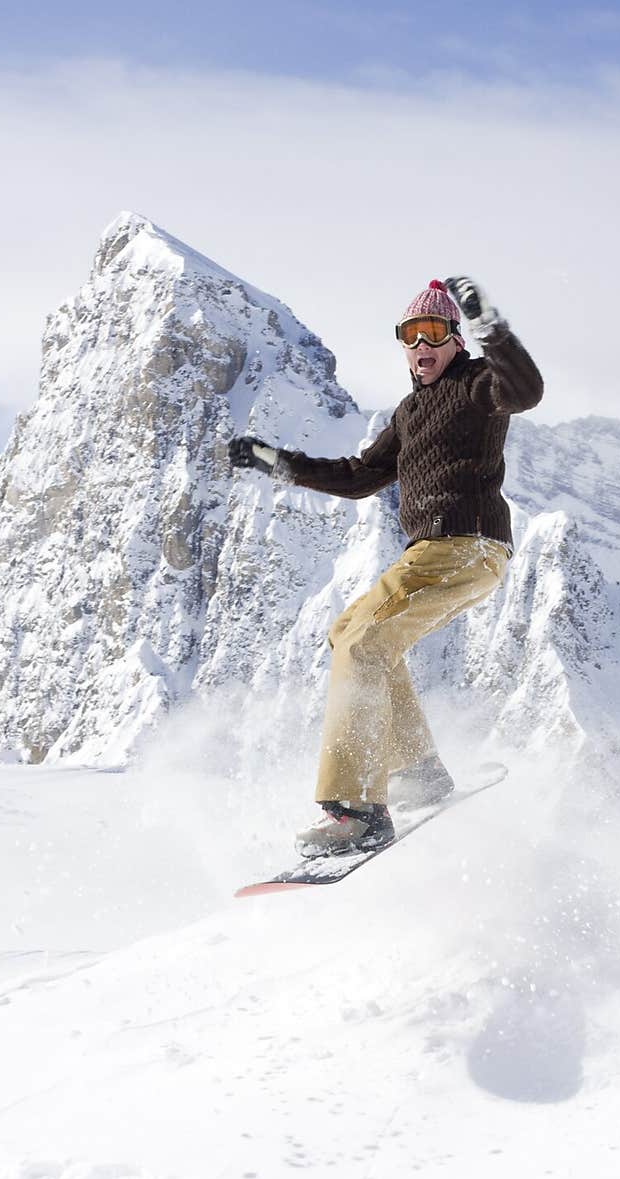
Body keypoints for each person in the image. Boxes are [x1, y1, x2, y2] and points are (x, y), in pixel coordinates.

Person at [229, 275, 543, 857]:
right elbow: (358, 478)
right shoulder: (410, 412)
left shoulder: (477, 385)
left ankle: (355, 808)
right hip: (433, 552)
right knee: (348, 633)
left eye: (434, 332)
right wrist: (277, 462)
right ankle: (418, 770)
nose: (421, 346)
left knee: (363, 645)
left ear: (455, 339)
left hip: (464, 544)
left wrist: (489, 326)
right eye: (410, 335)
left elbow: (525, 391)